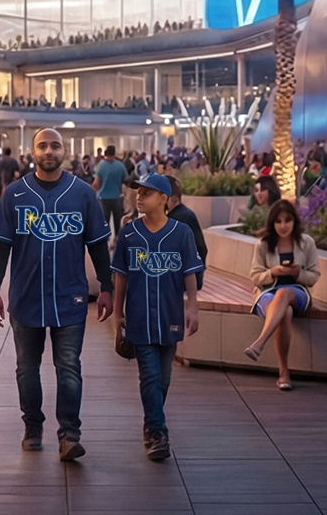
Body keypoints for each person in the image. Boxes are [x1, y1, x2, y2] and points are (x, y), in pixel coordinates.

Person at [0, 128, 112, 461]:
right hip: (26, 298)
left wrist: (107, 287)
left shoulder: (83, 193)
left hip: (70, 297)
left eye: (55, 146)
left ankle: (69, 433)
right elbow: (0, 247)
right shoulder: (14, 194)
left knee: (68, 366)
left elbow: (98, 245)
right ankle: (33, 425)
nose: (49, 151)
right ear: (32, 151)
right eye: (43, 146)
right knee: (27, 368)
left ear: (65, 150)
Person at [111, 173, 202, 463]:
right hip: (138, 318)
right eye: (138, 192)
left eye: (147, 193)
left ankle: (151, 423)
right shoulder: (128, 233)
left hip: (169, 315)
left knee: (163, 380)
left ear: (164, 199)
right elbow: (121, 277)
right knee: (149, 376)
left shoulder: (181, 232)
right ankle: (158, 432)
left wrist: (193, 308)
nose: (139, 196)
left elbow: (190, 272)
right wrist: (118, 312)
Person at [242, 199, 320, 390]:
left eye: (287, 220)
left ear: (294, 221)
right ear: (272, 223)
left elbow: (314, 275)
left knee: (285, 293)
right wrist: (273, 272)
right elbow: (255, 277)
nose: (283, 226)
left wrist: (297, 273)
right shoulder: (263, 244)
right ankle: (284, 372)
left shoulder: (306, 242)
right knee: (284, 312)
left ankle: (259, 344)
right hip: (268, 292)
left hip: (298, 292)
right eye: (278, 221)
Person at [161, 173, 209, 291]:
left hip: (184, 280)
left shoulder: (181, 218)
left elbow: (200, 249)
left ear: (174, 198)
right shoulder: (179, 215)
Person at [94, 144, 128, 237]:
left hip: (103, 197)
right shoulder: (120, 166)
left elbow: (96, 183)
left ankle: (105, 238)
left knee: (104, 221)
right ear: (114, 152)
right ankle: (117, 238)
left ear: (106, 153)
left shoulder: (101, 166)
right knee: (118, 220)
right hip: (117, 196)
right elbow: (125, 181)